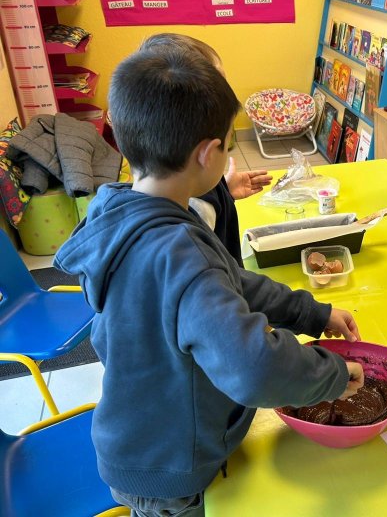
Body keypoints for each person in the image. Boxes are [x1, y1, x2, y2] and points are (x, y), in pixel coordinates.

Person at [54, 49, 364, 517]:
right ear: (207, 153)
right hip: (170, 468)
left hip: (140, 435)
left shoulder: (122, 210)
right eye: (227, 146)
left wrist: (311, 312)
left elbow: (231, 280)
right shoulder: (180, 249)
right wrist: (333, 376)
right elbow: (255, 367)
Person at [138, 33, 272, 266]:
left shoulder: (165, 181)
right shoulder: (191, 230)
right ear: (208, 154)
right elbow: (218, 275)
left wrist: (223, 191)